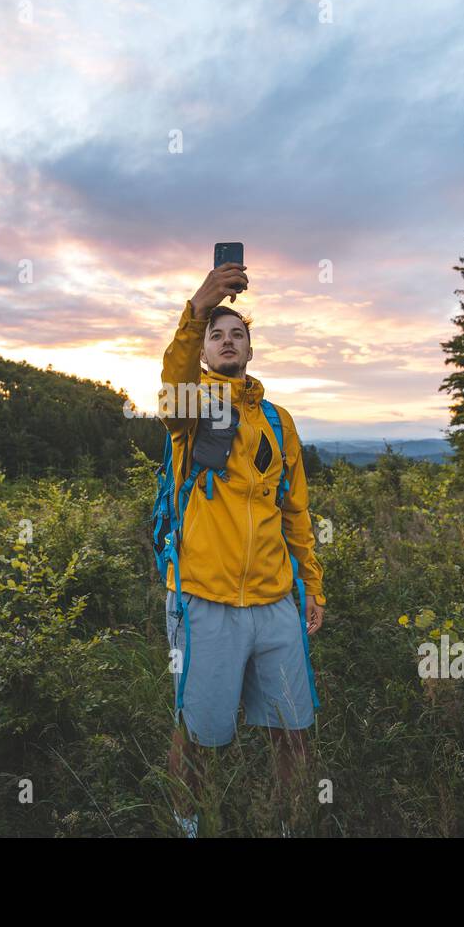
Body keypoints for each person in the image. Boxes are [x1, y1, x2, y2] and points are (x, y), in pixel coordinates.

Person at [159, 261, 326, 837]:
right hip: (205, 602)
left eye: (237, 335)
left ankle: (289, 825)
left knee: (293, 730)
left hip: (277, 603)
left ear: (250, 350)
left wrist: (314, 589)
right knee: (199, 734)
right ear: (205, 351)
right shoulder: (194, 406)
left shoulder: (279, 423)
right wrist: (195, 309)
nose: (227, 342)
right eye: (216, 335)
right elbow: (172, 391)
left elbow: (296, 513)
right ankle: (187, 825)